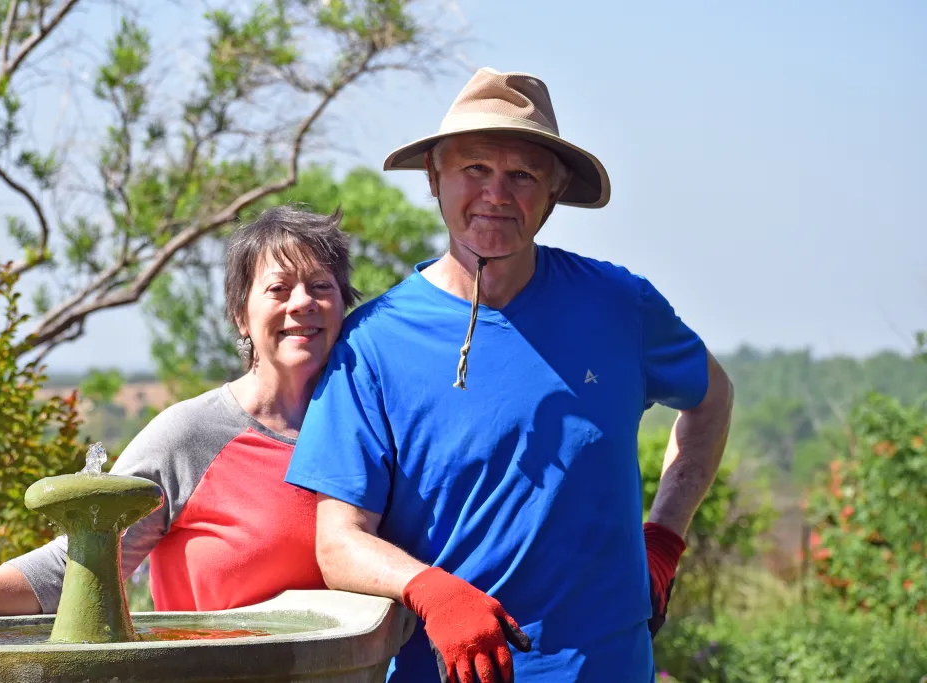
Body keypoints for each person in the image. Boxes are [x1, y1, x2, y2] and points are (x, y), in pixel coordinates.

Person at [284, 68, 735, 682]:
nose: (497, 194)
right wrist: (430, 591)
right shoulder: (372, 343)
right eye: (474, 169)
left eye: (522, 174)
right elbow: (338, 542)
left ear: (551, 193)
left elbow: (712, 399)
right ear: (434, 179)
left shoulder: (620, 306)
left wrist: (665, 538)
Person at [0, 206, 359, 621]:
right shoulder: (191, 437)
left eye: (321, 286)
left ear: (343, 306)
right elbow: (80, 564)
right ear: (241, 315)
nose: (302, 302)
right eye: (278, 288)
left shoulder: (369, 430)